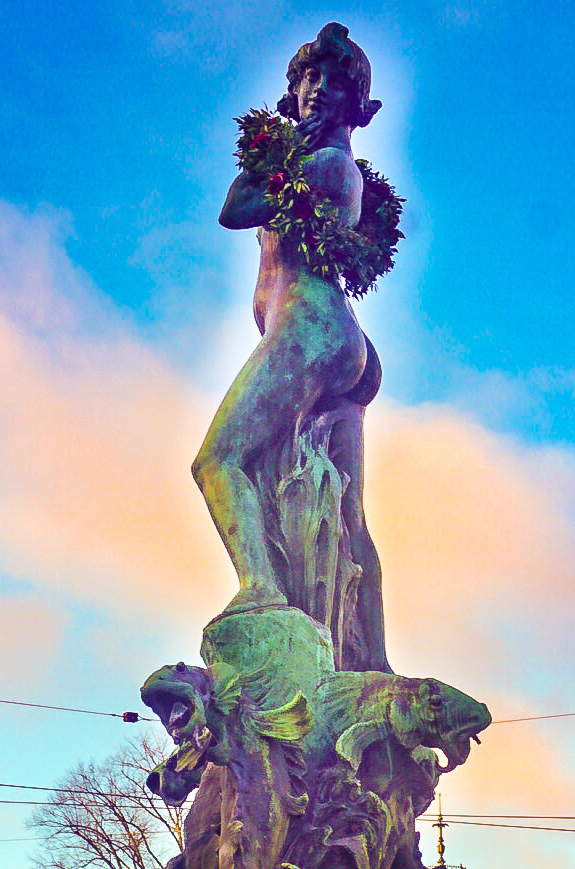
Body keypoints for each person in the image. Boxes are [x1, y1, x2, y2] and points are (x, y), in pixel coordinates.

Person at [192, 22, 390, 670]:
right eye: (308, 78)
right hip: (341, 342)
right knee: (349, 517)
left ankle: (261, 592)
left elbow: (236, 207)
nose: (317, 90)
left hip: (311, 327)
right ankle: (372, 662)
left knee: (218, 461)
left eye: (334, 83)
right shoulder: (327, 168)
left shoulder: (324, 164)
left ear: (356, 105)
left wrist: (279, 149)